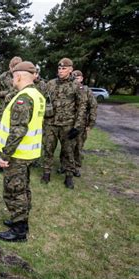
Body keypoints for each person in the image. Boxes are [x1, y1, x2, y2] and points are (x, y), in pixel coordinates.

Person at [0, 61, 45, 242]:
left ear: (19, 76)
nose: (12, 79)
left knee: (14, 191)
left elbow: (18, 130)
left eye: (14, 75)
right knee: (23, 188)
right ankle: (19, 220)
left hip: (17, 154)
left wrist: (5, 155)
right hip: (28, 153)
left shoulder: (23, 98)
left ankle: (19, 230)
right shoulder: (36, 95)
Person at [41, 58, 87, 189]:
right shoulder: (51, 83)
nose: (60, 71)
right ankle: (46, 173)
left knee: (68, 151)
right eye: (59, 68)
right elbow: (44, 100)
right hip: (51, 123)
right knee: (48, 149)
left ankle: (69, 176)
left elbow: (82, 107)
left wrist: (77, 127)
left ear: (71, 69)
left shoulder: (76, 86)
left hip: (67, 124)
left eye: (64, 68)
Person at [0, 56, 23, 175]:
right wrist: (7, 93)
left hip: (20, 113)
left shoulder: (23, 77)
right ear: (9, 66)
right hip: (4, 113)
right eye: (12, 67)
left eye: (17, 67)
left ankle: (12, 164)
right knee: (1, 138)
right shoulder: (3, 77)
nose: (14, 70)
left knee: (16, 137)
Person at [67, 70, 97, 177]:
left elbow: (93, 106)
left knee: (78, 146)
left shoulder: (86, 90)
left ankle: (76, 167)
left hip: (81, 124)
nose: (76, 80)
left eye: (78, 78)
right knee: (67, 146)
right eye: (74, 78)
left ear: (82, 78)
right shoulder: (69, 88)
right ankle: (64, 166)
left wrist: (91, 123)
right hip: (68, 122)